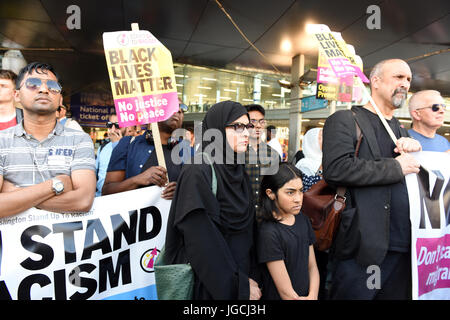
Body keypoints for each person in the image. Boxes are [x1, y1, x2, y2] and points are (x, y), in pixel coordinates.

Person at [322, 58, 422, 300]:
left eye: (408, 79)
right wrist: (395, 167)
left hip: (403, 246)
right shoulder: (345, 120)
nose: (405, 84)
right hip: (363, 247)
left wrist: (416, 149)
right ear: (375, 81)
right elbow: (337, 169)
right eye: (398, 77)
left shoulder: (401, 129)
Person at [163, 100, 262, 300]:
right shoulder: (197, 170)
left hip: (245, 278)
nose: (246, 133)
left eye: (248, 126)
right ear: (217, 129)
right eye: (237, 126)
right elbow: (200, 242)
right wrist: (238, 287)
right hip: (211, 286)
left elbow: (247, 233)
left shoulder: (237, 171)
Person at [0, 62, 96, 218]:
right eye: (33, 84)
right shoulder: (2, 141)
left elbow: (83, 201)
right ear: (17, 95)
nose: (44, 89)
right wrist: (55, 185)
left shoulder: (79, 140)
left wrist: (15, 194)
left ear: (60, 100)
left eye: (53, 86)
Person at [256, 162, 319, 300]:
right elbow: (285, 292)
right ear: (271, 193)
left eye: (301, 191)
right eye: (290, 192)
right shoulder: (269, 232)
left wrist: (313, 295)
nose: (298, 199)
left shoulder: (302, 219)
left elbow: (312, 266)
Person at [101, 103, 187, 200]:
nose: (179, 110)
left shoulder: (187, 152)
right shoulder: (128, 145)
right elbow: (106, 191)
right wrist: (137, 180)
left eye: (182, 109)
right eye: (173, 105)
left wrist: (181, 191)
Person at [295, 127, 329, 299]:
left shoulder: (330, 161)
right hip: (311, 224)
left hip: (325, 222)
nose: (326, 140)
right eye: (321, 137)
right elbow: (306, 193)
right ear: (312, 141)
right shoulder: (304, 165)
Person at [244, 104, 280, 211]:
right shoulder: (235, 154)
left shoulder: (273, 155)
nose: (258, 125)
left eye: (261, 121)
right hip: (242, 217)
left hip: (266, 216)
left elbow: (277, 186)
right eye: (253, 121)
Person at [95, 114, 126, 196]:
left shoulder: (131, 146)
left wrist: (118, 144)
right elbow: (95, 173)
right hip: (100, 197)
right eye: (110, 125)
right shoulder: (102, 147)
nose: (113, 130)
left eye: (117, 125)